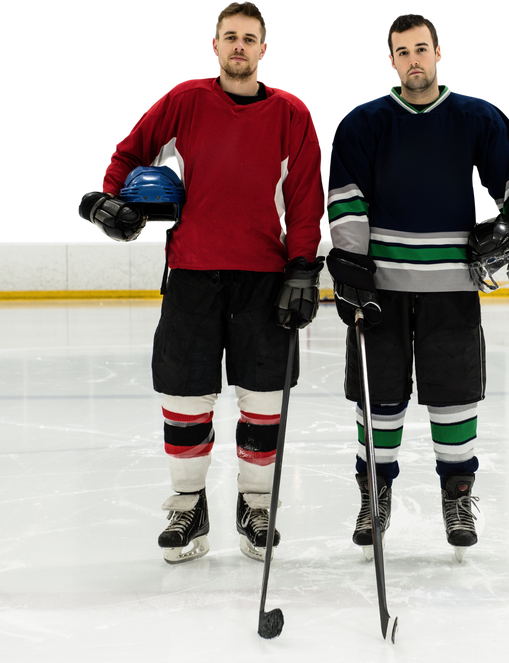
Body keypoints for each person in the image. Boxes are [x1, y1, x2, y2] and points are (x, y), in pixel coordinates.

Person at [75, 0, 326, 564]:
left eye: (250, 38)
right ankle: (189, 508)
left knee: (264, 402)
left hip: (266, 280)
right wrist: (104, 203)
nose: (239, 46)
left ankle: (256, 508)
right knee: (185, 399)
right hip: (191, 274)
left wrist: (304, 266)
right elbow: (126, 152)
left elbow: (308, 197)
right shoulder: (184, 99)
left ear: (265, 49)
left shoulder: (294, 113)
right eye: (229, 37)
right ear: (213, 46)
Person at [324, 11, 509, 561]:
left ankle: (457, 496)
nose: (414, 60)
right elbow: (344, 195)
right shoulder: (363, 121)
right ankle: (375, 495)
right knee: (379, 398)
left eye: (422, 49)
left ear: (440, 53)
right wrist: (351, 264)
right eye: (402, 52)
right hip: (380, 288)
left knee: (455, 398)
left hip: (453, 287)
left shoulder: (479, 116)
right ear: (390, 62)